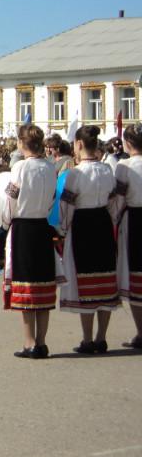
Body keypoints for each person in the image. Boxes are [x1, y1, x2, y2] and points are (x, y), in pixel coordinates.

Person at [59, 125, 120, 353]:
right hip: (103, 224)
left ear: (79, 144)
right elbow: (114, 202)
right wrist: (112, 221)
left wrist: (63, 229)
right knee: (105, 277)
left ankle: (87, 339)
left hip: (83, 225)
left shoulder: (75, 173)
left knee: (84, 278)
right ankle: (101, 337)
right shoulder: (106, 170)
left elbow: (66, 206)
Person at [2, 124, 58, 359]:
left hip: (24, 228)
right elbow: (52, 198)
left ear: (22, 143)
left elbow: (10, 200)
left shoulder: (20, 168)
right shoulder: (49, 167)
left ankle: (29, 342)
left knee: (25, 286)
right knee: (43, 285)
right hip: (42, 227)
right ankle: (42, 342)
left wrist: (4, 222)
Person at [115, 123, 142, 350]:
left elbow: (118, 200)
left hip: (135, 220)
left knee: (136, 277)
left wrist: (113, 219)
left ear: (128, 143)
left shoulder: (124, 167)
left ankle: (141, 332)